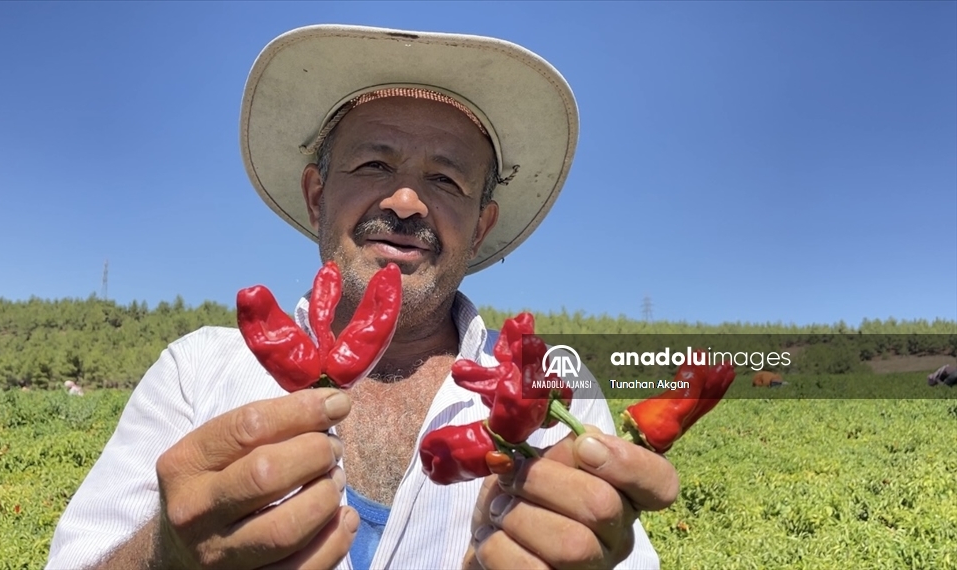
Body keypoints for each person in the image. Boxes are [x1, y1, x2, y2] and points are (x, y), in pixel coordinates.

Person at [46, 24, 679, 569]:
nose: (405, 202)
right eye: (373, 166)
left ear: (480, 226)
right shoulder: (198, 372)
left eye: (445, 179)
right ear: (318, 195)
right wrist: (165, 555)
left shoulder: (554, 387)